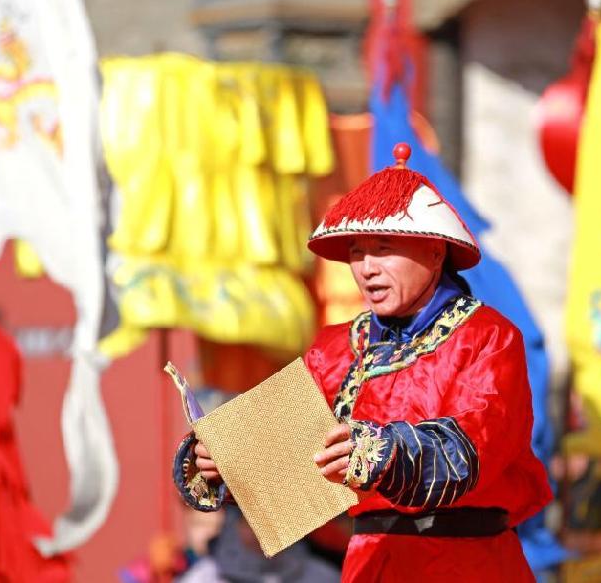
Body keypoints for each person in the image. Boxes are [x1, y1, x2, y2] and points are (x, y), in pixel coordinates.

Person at [176, 143, 552, 582]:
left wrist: (379, 451)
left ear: (435, 253)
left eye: (384, 247)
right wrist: (229, 462)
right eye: (357, 252)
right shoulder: (336, 348)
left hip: (465, 564)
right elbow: (299, 462)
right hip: (368, 564)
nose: (367, 267)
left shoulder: (487, 337)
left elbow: (474, 449)